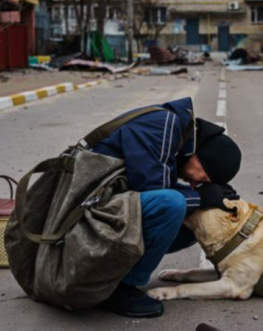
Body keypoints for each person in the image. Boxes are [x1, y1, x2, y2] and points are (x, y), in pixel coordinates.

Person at [92, 97, 242, 318]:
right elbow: (153, 191)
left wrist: (201, 200)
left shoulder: (175, 138)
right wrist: (200, 196)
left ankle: (113, 272)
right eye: (203, 178)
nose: (195, 183)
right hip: (85, 211)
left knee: (192, 218)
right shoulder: (164, 125)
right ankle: (121, 289)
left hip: (105, 206)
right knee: (174, 204)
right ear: (201, 159)